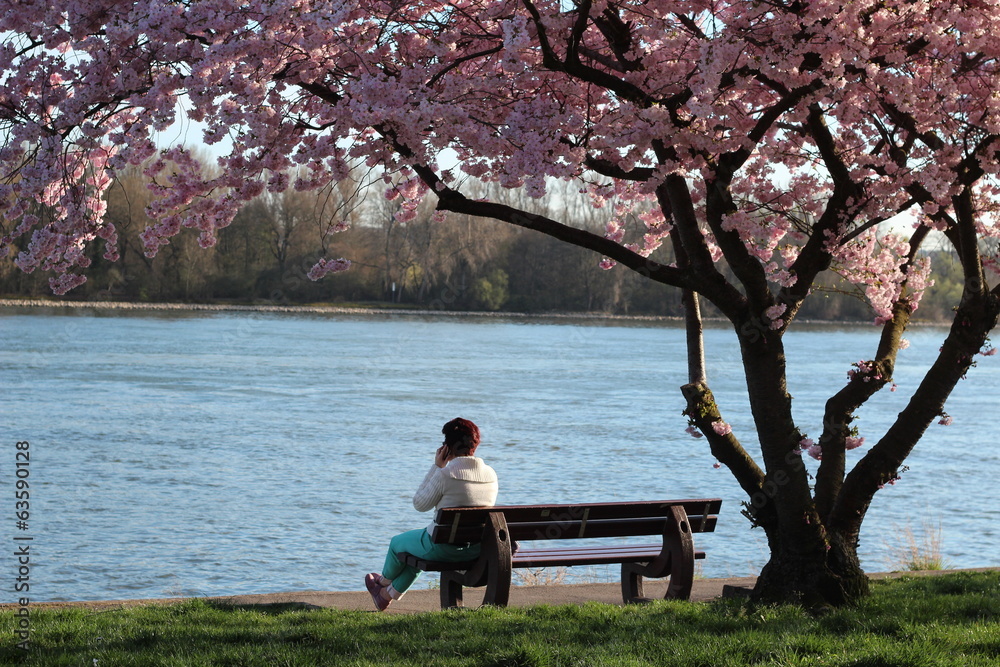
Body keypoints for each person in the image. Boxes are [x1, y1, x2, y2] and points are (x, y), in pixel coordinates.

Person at [365, 417, 498, 611]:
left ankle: (382, 583)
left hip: (443, 548)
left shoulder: (446, 474)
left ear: (447, 446)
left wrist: (437, 467)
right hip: (476, 549)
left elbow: (419, 504)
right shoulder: (491, 474)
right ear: (475, 445)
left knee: (397, 543)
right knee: (413, 557)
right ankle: (385, 596)